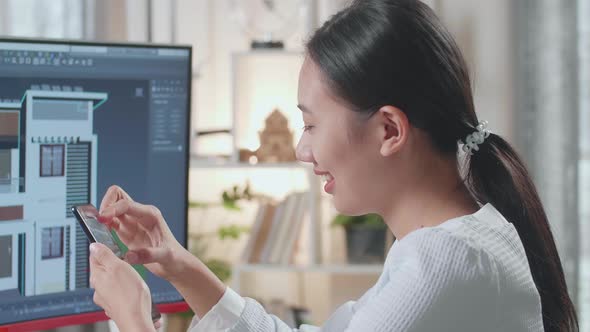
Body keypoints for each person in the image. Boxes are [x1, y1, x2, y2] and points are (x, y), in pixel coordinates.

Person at [88, 0, 579, 331]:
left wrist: (133, 317)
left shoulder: (441, 265)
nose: (303, 151)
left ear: (389, 130)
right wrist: (180, 265)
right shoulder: (458, 242)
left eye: (311, 125)